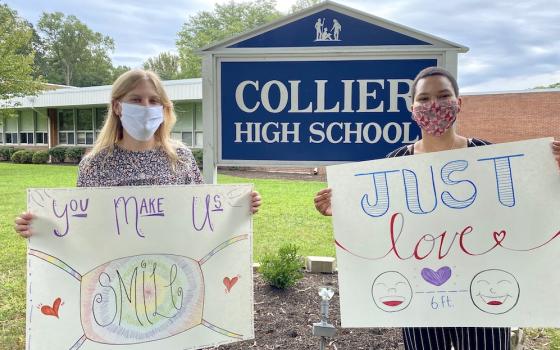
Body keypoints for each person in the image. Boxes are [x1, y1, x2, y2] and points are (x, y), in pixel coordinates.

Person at [314, 66, 560, 350]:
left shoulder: (487, 155)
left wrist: (552, 177)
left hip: (483, 285)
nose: (434, 105)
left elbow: (528, 211)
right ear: (412, 108)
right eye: (424, 98)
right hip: (421, 289)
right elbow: (382, 226)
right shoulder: (395, 162)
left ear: (459, 102)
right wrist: (343, 210)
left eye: (443, 96)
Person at [15, 69, 261, 238]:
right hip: (116, 277)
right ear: (117, 106)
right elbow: (83, 226)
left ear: (164, 108)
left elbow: (202, 215)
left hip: (175, 273)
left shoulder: (181, 157)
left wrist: (237, 207)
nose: (146, 107)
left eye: (154, 101)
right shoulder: (95, 165)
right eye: (136, 99)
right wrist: (41, 228)